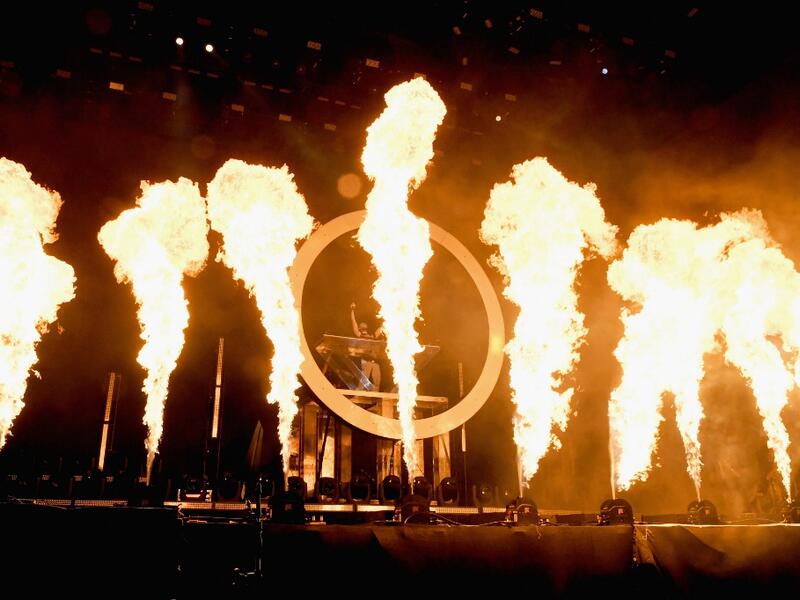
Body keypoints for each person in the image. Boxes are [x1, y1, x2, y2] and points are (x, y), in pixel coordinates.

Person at [350, 302, 383, 391]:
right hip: (366, 361)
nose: (363, 325)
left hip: (374, 361)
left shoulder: (372, 336)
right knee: (365, 378)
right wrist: (352, 311)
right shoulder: (359, 334)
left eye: (364, 325)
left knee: (377, 380)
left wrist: (387, 318)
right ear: (360, 328)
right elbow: (354, 322)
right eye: (361, 325)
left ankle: (375, 395)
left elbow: (380, 329)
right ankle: (359, 391)